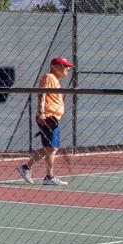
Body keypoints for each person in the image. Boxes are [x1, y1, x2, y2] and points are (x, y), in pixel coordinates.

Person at [21, 55, 73, 185]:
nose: (67, 69)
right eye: (64, 66)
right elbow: (42, 94)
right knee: (51, 147)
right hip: (48, 116)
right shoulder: (49, 77)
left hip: (53, 117)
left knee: (51, 147)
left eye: (67, 66)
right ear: (55, 67)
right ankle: (32, 169)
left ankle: (45, 175)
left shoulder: (55, 79)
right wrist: (42, 113)